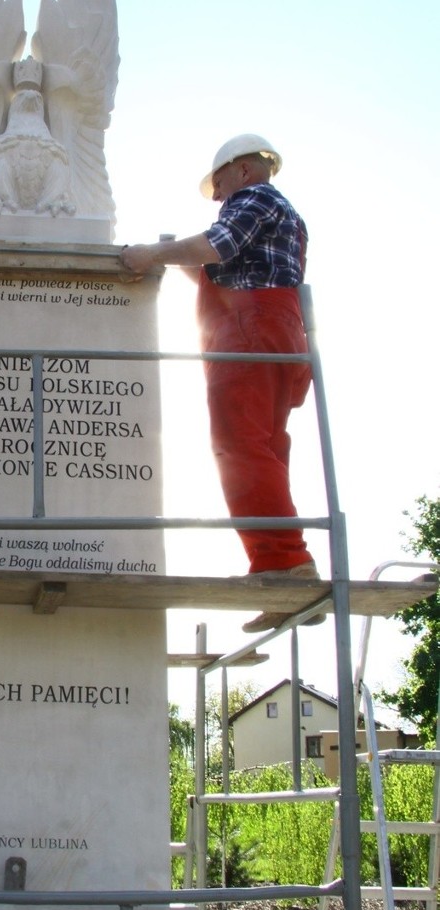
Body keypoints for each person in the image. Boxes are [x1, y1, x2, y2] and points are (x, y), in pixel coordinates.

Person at [119, 133, 323, 633]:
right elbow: (222, 269)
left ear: (244, 169)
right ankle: (284, 564)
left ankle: (286, 566)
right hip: (278, 330)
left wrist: (148, 254)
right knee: (266, 449)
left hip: (251, 331)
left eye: (219, 183)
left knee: (239, 448)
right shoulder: (286, 217)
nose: (216, 196)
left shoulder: (253, 197)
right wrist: (174, 256)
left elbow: (218, 245)